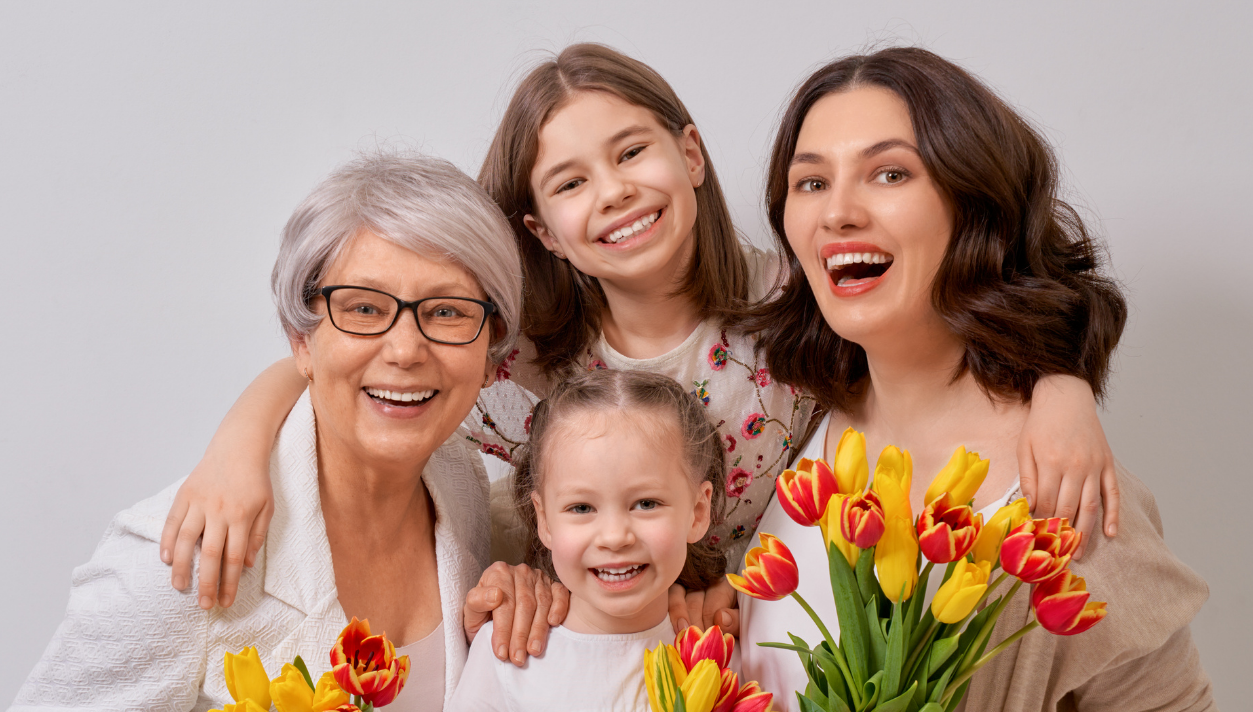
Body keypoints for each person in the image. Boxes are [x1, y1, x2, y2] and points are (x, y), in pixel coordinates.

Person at [156, 44, 1119, 635]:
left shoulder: (794, 301)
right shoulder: (522, 361)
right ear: (539, 230)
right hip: (593, 645)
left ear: (689, 155)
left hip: (768, 648)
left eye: (630, 153)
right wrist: (235, 451)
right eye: (568, 183)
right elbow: (355, 355)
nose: (612, 192)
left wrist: (1061, 386)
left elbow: (949, 321)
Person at [739, 47, 1220, 712]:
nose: (838, 212)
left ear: (975, 205)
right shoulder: (784, 426)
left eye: (890, 174)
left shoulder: (1062, 486)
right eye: (810, 182)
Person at [0, 152, 525, 712]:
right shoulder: (187, 553)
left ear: (492, 349)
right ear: (300, 338)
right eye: (364, 307)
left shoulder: (459, 481)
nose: (406, 348)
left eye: (448, 312)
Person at [413, 369, 756, 712]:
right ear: (544, 521)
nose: (614, 535)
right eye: (581, 508)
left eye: (646, 502)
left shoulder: (713, 661)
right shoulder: (513, 655)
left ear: (698, 512)